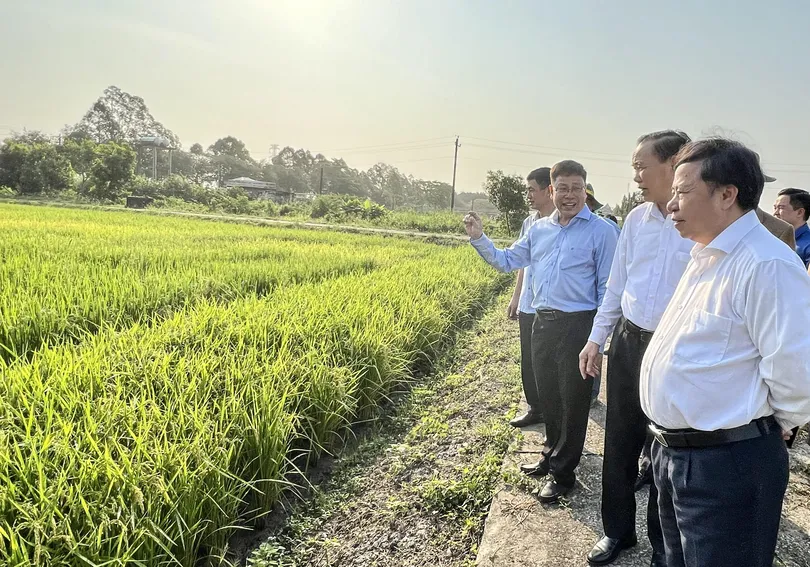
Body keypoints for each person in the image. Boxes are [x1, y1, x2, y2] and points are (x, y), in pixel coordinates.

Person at [641, 138, 810, 567]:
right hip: (675, 455)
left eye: (683, 192)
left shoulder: (766, 264)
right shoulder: (706, 256)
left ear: (726, 195)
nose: (672, 204)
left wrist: (761, 429)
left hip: (725, 466)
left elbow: (797, 376)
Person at [464, 160, 619, 502]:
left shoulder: (603, 232)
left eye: (577, 188)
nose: (569, 195)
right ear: (552, 190)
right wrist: (479, 238)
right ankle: (550, 455)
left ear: (585, 191)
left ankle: (563, 474)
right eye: (562, 188)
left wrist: (597, 340)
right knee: (548, 396)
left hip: (578, 325)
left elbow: (608, 290)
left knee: (573, 401)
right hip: (542, 323)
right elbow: (507, 261)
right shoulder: (538, 230)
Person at [579, 130, 692, 567]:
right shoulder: (636, 219)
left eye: (642, 167)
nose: (637, 177)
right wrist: (596, 338)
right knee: (620, 441)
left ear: (674, 164)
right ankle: (617, 531)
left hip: (673, 349)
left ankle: (663, 546)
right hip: (629, 341)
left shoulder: (698, 224)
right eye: (634, 168)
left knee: (665, 448)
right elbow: (617, 284)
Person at [508, 167, 556, 428]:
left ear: (548, 190)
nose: (528, 195)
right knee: (528, 359)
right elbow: (521, 262)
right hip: (529, 304)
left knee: (548, 362)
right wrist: (516, 297)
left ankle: (553, 414)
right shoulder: (529, 222)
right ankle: (535, 408)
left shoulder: (561, 223)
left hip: (550, 305)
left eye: (531, 190)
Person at [773, 187, 810, 266]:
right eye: (775, 208)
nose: (775, 213)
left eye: (781, 208)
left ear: (800, 212)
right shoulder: (773, 238)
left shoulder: (807, 245)